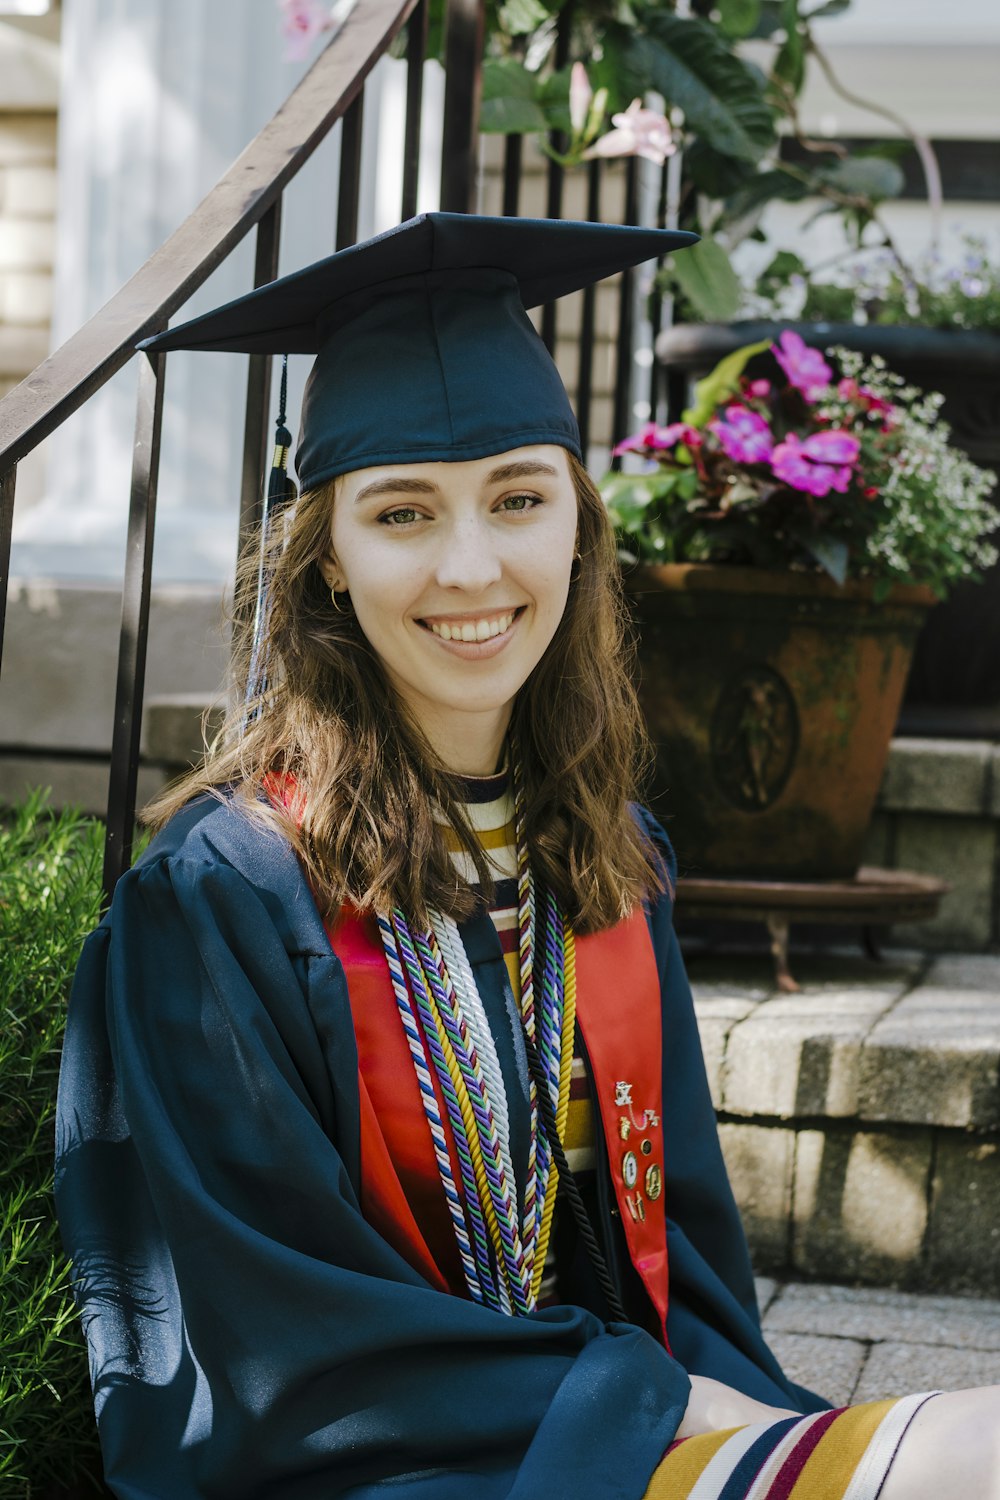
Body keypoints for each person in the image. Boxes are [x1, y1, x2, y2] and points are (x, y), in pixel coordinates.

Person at [55, 213, 998, 1499]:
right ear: (327, 558)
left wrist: (711, 1401)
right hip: (392, 1467)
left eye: (517, 496)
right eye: (401, 513)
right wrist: (659, 1408)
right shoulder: (224, 898)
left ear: (577, 522)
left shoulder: (609, 856)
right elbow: (274, 1333)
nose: (471, 565)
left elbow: (686, 1254)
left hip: (629, 1424)